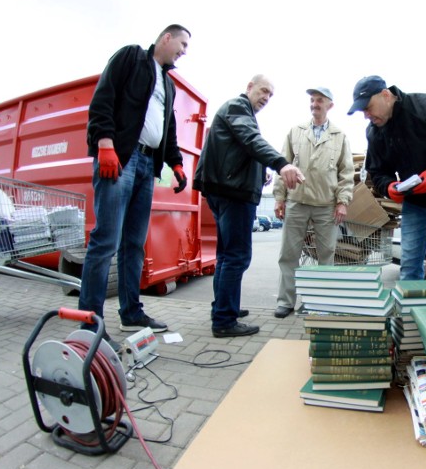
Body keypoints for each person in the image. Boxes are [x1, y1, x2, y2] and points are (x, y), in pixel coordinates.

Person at [79, 25, 191, 348]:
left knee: (134, 244)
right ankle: (90, 323)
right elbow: (103, 98)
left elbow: (166, 131)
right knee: (106, 241)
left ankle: (131, 311)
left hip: (146, 166)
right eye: (182, 44)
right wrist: (104, 144)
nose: (184, 51)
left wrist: (176, 163)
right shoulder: (131, 57)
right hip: (121, 158)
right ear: (166, 38)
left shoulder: (168, 86)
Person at [347, 76, 426, 301]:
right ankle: (410, 325)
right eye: (362, 112)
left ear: (386, 95)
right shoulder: (375, 132)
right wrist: (389, 187)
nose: (367, 115)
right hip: (415, 205)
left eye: (368, 108)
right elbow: (377, 172)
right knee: (409, 268)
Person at [193, 75, 304, 337]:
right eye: (264, 91)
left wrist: (260, 172)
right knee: (236, 257)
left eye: (271, 95)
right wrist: (280, 163)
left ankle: (222, 306)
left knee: (225, 256)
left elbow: (243, 148)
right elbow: (251, 139)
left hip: (225, 190)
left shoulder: (239, 113)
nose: (266, 98)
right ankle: (224, 320)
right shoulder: (237, 108)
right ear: (249, 87)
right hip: (234, 195)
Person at [272, 87, 354, 318]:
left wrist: (342, 202)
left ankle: (321, 301)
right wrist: (279, 198)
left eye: (320, 100)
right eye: (312, 100)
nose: (315, 104)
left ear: (330, 106)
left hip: (326, 205)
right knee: (289, 255)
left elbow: (346, 173)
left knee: (326, 255)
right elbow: (282, 165)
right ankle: (285, 302)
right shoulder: (295, 132)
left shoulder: (339, 136)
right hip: (296, 201)